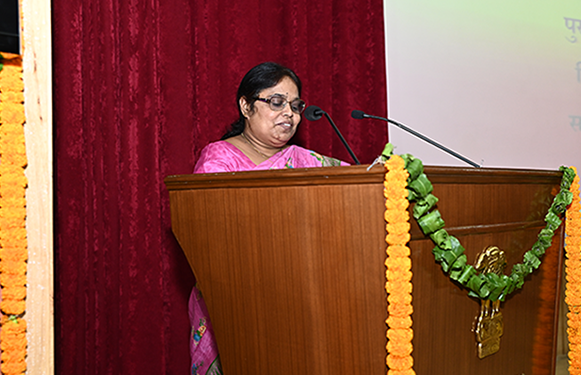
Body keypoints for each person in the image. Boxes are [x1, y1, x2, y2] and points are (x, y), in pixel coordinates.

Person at [188, 62, 348, 375]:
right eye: (276, 102)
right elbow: (211, 236)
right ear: (246, 106)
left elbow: (358, 182)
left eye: (295, 105)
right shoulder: (218, 159)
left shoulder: (303, 160)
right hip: (235, 300)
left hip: (298, 299)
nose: (289, 113)